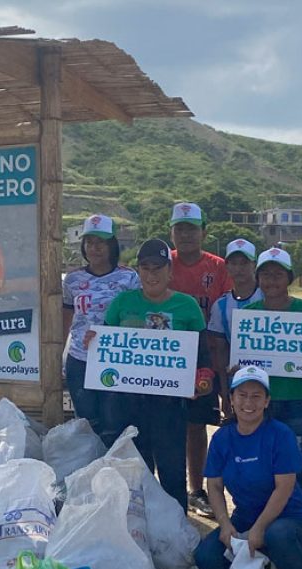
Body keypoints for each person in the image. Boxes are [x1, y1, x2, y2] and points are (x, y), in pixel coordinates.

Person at [193, 366, 302, 569]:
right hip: (244, 517)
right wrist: (225, 524)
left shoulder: (279, 434)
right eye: (243, 395)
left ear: (267, 401)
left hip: (289, 518)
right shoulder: (223, 438)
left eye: (257, 396)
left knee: (278, 535)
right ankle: (264, 559)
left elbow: (284, 487)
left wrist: (259, 529)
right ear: (232, 399)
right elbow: (213, 485)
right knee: (207, 559)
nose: (249, 403)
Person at [98, 238, 208, 510]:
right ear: (138, 272)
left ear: (170, 272)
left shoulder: (187, 306)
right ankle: (136, 535)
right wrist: (94, 340)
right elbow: (106, 345)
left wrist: (202, 380)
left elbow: (201, 354)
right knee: (135, 473)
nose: (151, 274)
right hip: (128, 404)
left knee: (172, 473)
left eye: (158, 268)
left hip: (169, 406)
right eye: (145, 268)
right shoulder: (122, 302)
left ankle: (176, 536)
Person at [244, 246, 302, 569]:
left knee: (299, 475)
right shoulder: (249, 314)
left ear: (290, 278)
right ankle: (263, 544)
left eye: (278, 274)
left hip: (296, 404)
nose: (271, 280)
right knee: (260, 477)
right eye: (265, 273)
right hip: (258, 406)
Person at [167, 202, 230, 517]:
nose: (186, 234)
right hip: (165, 356)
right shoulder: (162, 263)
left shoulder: (218, 267)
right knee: (164, 423)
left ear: (204, 231)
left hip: (204, 353)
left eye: (192, 228)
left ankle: (197, 490)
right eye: (180, 228)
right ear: (172, 232)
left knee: (196, 425)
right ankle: (168, 488)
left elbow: (230, 310)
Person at [61, 214, 139, 446]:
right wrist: (57, 359)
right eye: (90, 242)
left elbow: (135, 322)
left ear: (112, 244)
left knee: (114, 425)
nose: (95, 248)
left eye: (101, 242)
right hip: (80, 360)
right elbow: (66, 319)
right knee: (86, 425)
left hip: (115, 360)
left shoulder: (129, 278)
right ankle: (87, 477)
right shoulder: (72, 279)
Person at [207, 238, 262, 420]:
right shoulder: (221, 305)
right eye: (234, 263)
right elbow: (220, 353)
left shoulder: (268, 298)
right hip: (238, 383)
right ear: (227, 266)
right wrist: (224, 393)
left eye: (244, 263)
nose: (239, 268)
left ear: (254, 264)